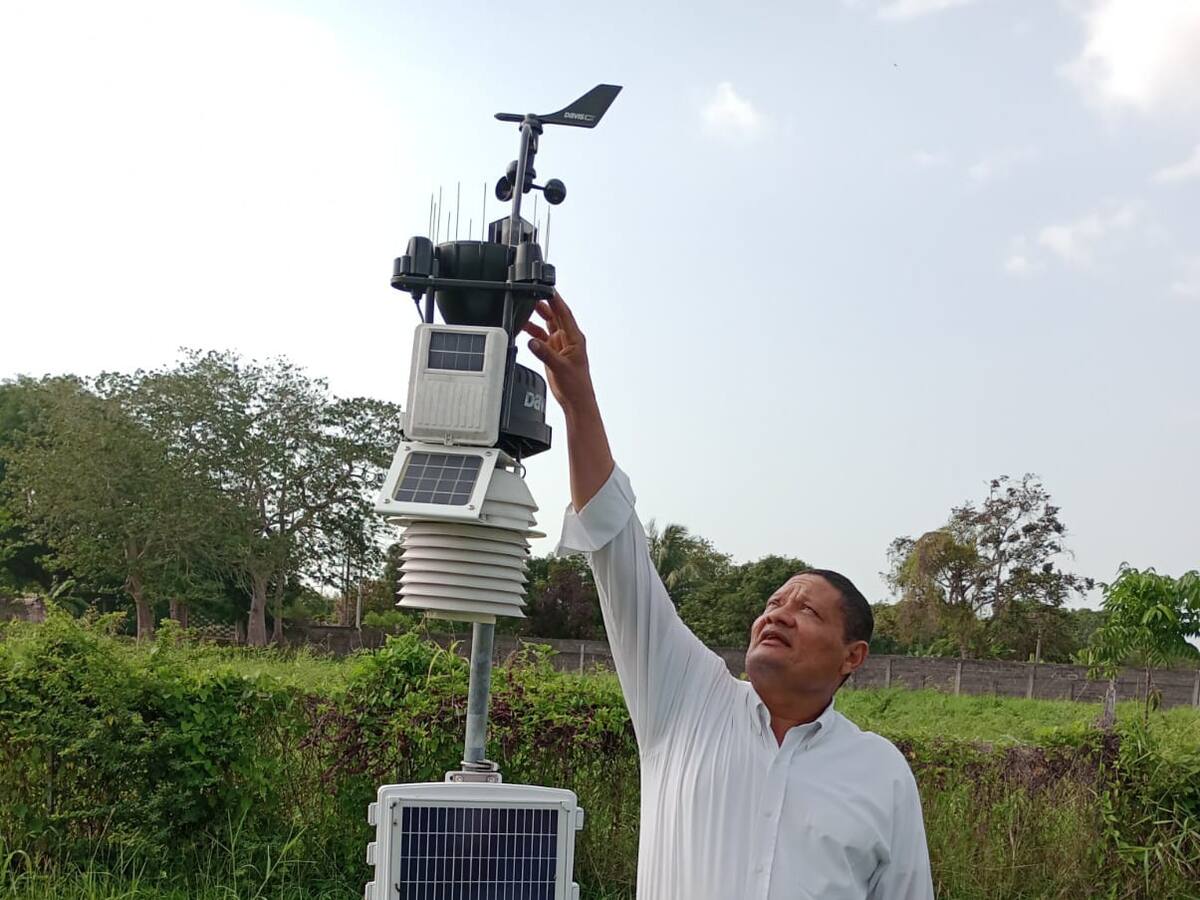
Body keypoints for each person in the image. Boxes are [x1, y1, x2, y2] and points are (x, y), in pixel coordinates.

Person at [523, 292, 935, 900]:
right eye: (774, 603)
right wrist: (580, 401)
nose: (777, 614)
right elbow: (617, 548)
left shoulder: (880, 772)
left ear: (853, 656)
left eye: (807, 609)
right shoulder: (686, 697)